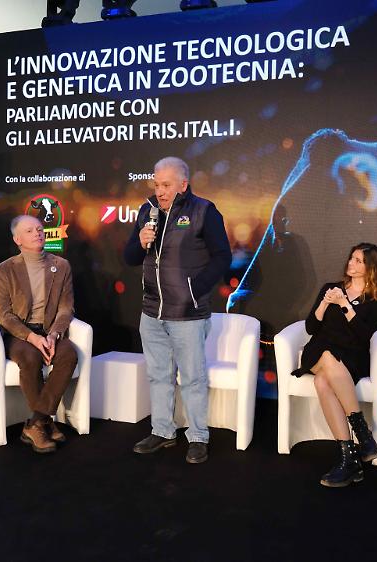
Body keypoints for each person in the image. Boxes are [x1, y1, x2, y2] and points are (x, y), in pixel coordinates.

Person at [124, 157, 231, 464]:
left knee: (193, 378)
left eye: (166, 185)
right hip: (151, 311)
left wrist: (195, 290)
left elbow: (222, 256)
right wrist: (140, 241)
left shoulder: (204, 211)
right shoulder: (147, 210)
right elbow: (130, 257)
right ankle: (162, 431)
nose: (160, 191)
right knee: (158, 376)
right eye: (156, 184)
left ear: (183, 184)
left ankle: (197, 437)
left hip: (187, 313)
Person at [291, 243, 377, 487]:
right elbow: (311, 328)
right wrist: (326, 303)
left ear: (371, 267)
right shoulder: (331, 288)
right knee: (327, 355)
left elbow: (364, 335)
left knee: (322, 382)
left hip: (352, 356)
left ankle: (349, 460)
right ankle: (363, 435)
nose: (351, 263)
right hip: (319, 351)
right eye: (351, 258)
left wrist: (345, 305)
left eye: (358, 260)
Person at [0, 215, 78, 454]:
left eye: (39, 229)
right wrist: (31, 337)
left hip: (49, 330)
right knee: (30, 358)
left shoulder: (61, 266)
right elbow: (3, 313)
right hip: (19, 334)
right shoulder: (5, 269)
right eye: (29, 231)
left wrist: (54, 335)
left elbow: (66, 308)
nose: (37, 233)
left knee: (68, 354)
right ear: (17, 239)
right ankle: (46, 422)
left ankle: (35, 423)